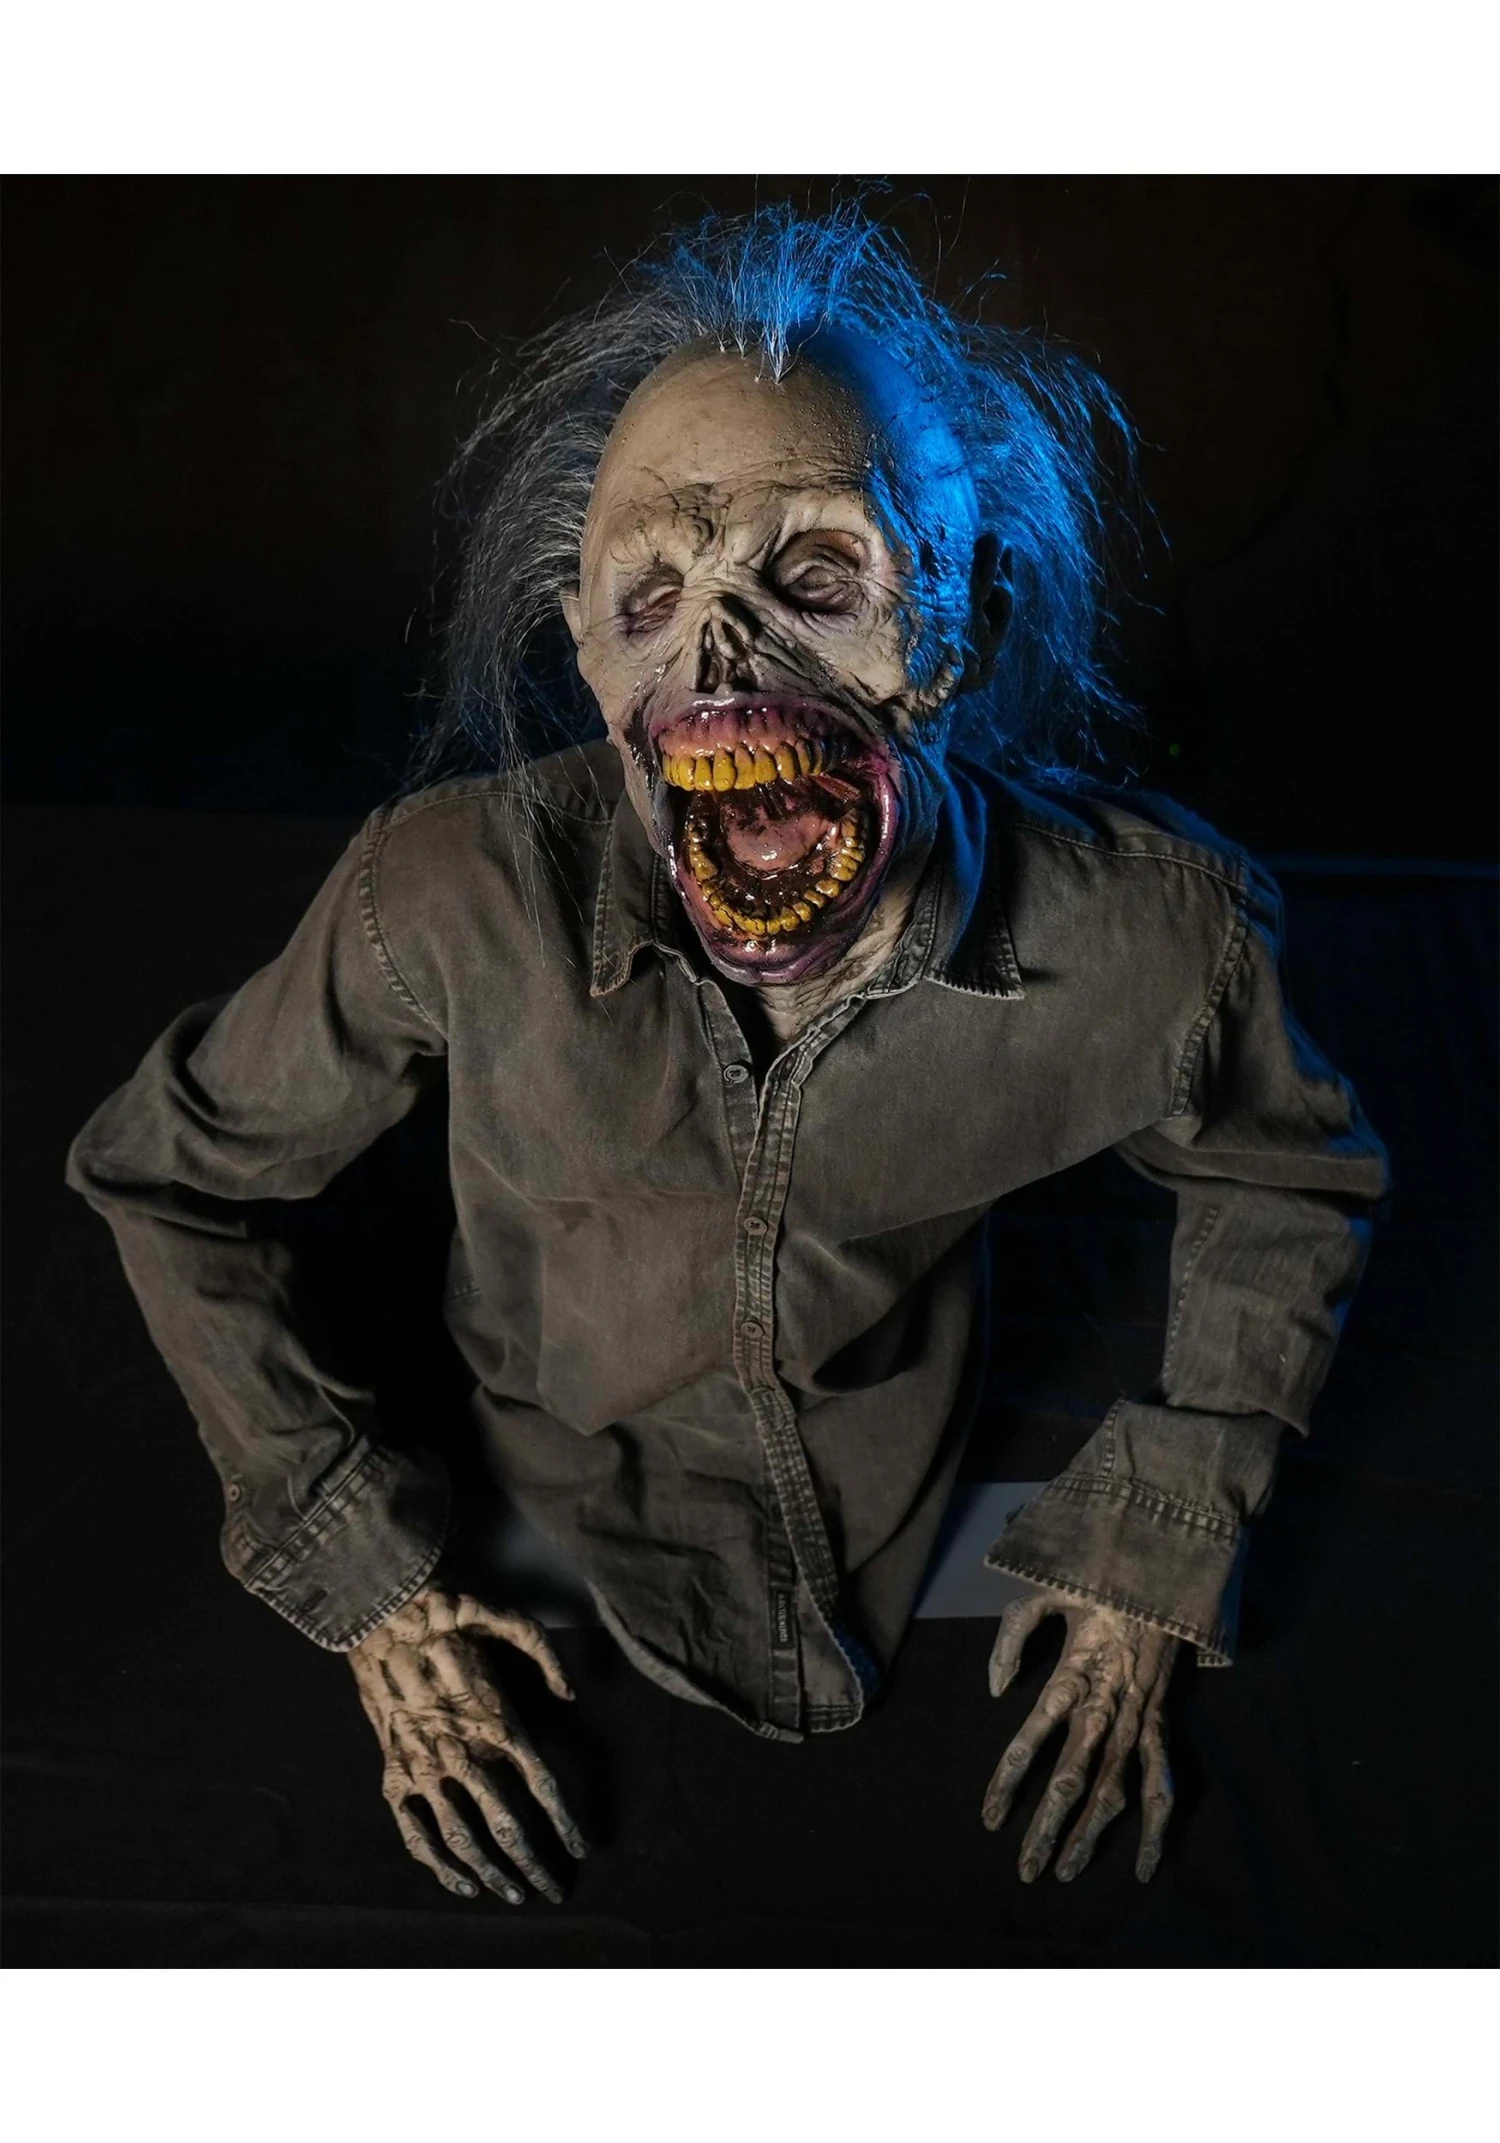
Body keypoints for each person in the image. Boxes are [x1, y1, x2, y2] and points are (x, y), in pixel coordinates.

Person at [67, 204, 1389, 1906]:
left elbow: (1284, 1174)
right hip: (527, 1476)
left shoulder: (1155, 941)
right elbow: (167, 1172)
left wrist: (1166, 1526)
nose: (719, 653)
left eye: (816, 577)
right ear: (588, 654)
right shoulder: (446, 898)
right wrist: (364, 1569)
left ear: (963, 620)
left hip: (910, 1493)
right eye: (654, 594)